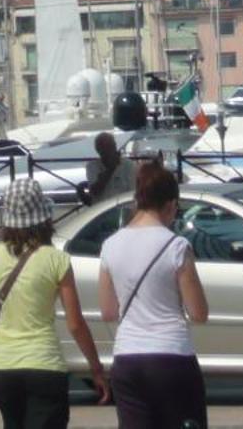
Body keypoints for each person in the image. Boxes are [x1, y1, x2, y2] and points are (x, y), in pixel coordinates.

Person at [0, 177, 108, 429]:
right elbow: (75, 323)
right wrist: (96, 368)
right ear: (43, 217)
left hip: (3, 369)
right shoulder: (56, 260)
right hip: (45, 365)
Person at [98, 162, 209, 429]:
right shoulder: (177, 246)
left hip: (127, 358)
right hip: (171, 356)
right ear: (170, 204)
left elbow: (109, 312)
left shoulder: (110, 245)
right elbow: (199, 313)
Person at [86, 132, 134, 202]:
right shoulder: (92, 166)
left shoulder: (128, 165)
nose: (108, 150)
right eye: (104, 147)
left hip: (124, 207)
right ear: (98, 150)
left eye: (110, 146)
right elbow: (94, 192)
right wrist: (111, 169)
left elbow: (132, 192)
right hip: (101, 208)